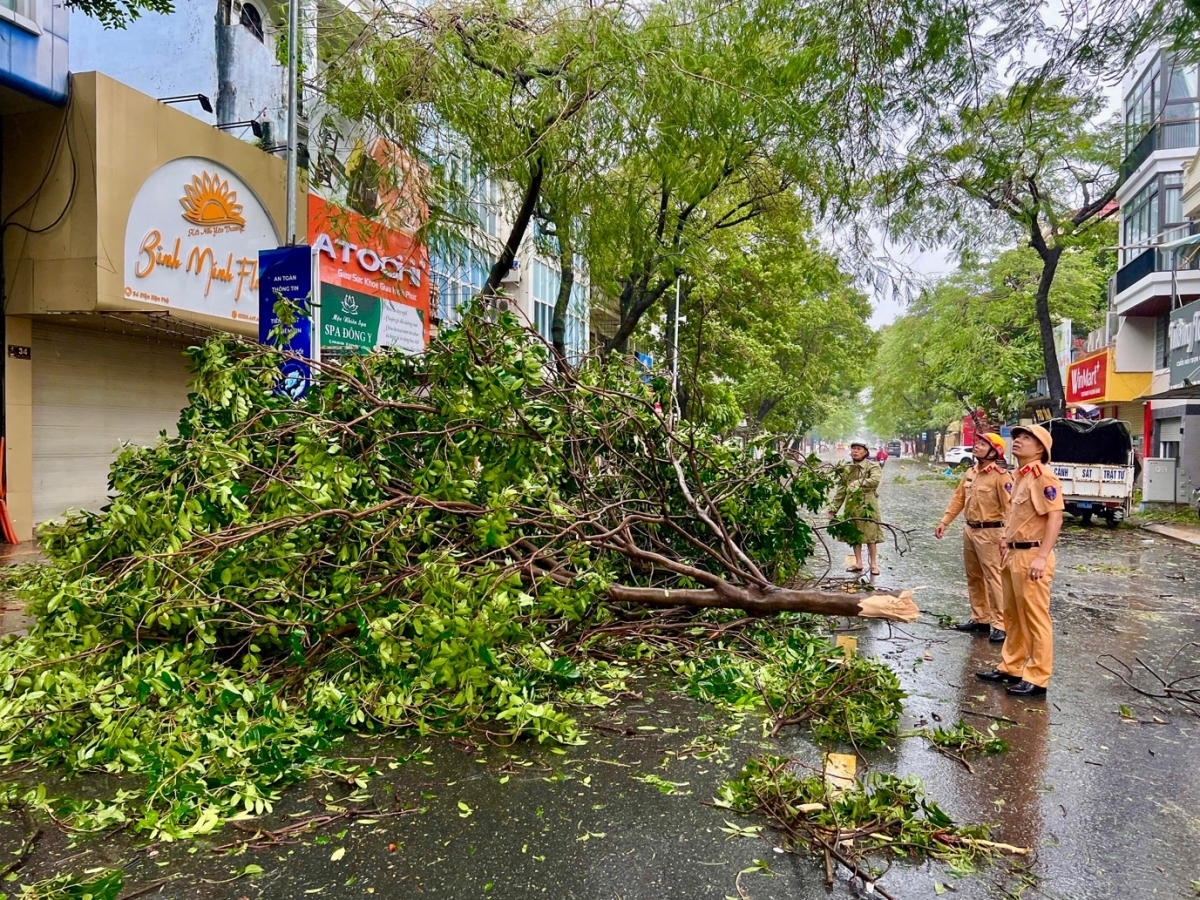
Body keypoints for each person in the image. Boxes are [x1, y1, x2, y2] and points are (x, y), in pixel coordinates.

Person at [976, 424, 1063, 698]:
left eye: (1027, 438)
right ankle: (1011, 666)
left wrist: (1042, 556)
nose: (1019, 442)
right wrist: (1006, 539)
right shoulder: (1020, 476)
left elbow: (1055, 518)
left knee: (1035, 618)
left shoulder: (1043, 476)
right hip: (1014, 552)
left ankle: (1038, 677)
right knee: (1011, 615)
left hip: (1032, 555)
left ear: (1040, 449)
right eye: (1017, 438)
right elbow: (1019, 514)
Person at [934, 433, 1013, 643]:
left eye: (982, 444)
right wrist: (945, 521)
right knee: (974, 576)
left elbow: (1010, 508)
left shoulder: (1001, 476)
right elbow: (959, 498)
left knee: (993, 577)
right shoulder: (971, 472)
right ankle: (981, 618)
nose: (976, 446)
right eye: (977, 443)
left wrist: (1006, 536)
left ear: (994, 451)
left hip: (991, 533)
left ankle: (1000, 624)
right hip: (970, 530)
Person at [828, 441, 883, 576]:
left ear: (865, 452)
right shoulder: (846, 468)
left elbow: (875, 481)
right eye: (853, 449)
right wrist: (833, 508)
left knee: (871, 535)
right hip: (851, 504)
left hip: (868, 503)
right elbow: (841, 489)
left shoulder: (872, 466)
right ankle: (858, 563)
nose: (855, 451)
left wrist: (857, 483)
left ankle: (874, 564)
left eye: (858, 449)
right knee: (854, 534)